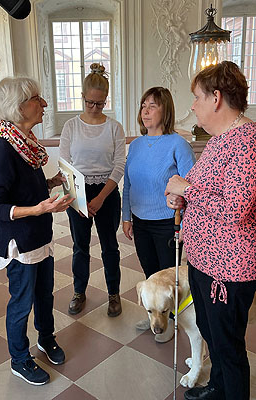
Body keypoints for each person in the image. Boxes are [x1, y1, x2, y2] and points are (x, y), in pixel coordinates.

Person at [165, 61, 256, 400]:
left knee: (228, 346)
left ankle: (229, 390)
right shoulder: (219, 139)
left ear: (216, 98)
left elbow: (234, 209)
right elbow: (207, 192)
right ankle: (218, 387)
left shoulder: (247, 142)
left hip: (229, 270)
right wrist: (183, 200)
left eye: (197, 97)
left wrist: (185, 189)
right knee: (211, 333)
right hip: (205, 261)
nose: (192, 105)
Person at [0, 77, 74, 386]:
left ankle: (46, 339)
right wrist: (37, 209)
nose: (44, 104)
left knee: (44, 294)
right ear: (17, 107)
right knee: (22, 303)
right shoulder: (2, 149)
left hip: (38, 237)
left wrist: (49, 184)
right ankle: (20, 360)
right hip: (19, 244)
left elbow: (22, 189)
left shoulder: (25, 142)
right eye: (37, 99)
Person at [122, 86, 195, 342]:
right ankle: (156, 315)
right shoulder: (137, 145)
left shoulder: (178, 145)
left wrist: (187, 223)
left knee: (169, 279)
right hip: (141, 221)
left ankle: (172, 320)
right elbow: (128, 183)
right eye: (144, 106)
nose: (146, 111)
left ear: (166, 110)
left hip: (168, 223)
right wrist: (126, 216)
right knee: (150, 273)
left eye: (152, 106)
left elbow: (191, 187)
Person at [59, 63, 125, 317]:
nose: (95, 108)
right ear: (83, 97)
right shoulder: (71, 127)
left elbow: (119, 165)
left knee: (110, 246)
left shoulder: (114, 128)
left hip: (106, 193)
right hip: (77, 192)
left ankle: (113, 294)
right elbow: (65, 164)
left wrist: (99, 197)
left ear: (106, 100)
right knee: (80, 246)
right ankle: (79, 292)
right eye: (90, 103)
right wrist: (80, 199)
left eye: (100, 104)